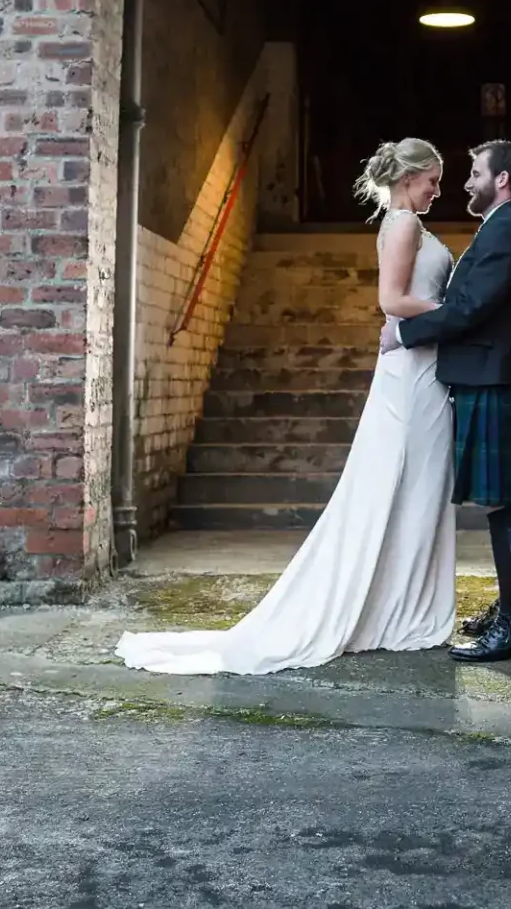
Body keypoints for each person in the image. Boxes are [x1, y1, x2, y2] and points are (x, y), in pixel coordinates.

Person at [113, 139, 457, 675]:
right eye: (433, 179)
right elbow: (391, 303)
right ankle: (400, 609)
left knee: (416, 485)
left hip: (417, 366)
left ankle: (402, 605)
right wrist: (460, 311)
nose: (438, 189)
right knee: (409, 482)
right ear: (409, 177)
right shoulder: (405, 225)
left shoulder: (401, 223)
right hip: (413, 375)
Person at [381, 139, 511, 664]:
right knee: (501, 499)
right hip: (485, 374)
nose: (466, 182)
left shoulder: (509, 230)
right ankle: (510, 612)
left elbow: (471, 307)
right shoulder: (500, 228)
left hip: (495, 376)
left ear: (501, 179)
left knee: (503, 499)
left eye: (475, 173)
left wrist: (406, 334)